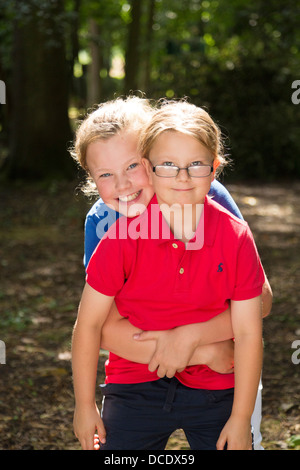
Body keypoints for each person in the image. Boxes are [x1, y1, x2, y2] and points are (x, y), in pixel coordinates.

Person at [71, 98, 269, 450]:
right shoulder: (107, 225)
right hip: (140, 375)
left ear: (148, 159)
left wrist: (195, 337)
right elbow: (100, 327)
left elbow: (260, 302)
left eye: (132, 166)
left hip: (219, 378)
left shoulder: (207, 196)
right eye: (105, 174)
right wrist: (201, 351)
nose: (124, 185)